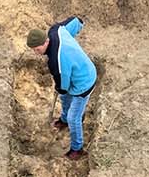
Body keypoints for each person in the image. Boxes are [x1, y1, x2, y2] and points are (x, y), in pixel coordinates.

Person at [27, 17, 97, 159]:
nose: (36, 52)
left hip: (84, 81)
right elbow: (74, 21)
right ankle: (63, 120)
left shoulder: (56, 59)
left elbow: (63, 83)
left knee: (74, 117)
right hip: (75, 74)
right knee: (64, 97)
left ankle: (77, 149)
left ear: (45, 41)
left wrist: (60, 89)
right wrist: (79, 23)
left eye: (38, 49)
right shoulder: (55, 30)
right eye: (33, 50)